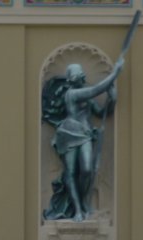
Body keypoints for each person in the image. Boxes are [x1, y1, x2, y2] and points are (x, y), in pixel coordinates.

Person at [42, 57, 123, 222]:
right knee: (71, 172)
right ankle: (78, 210)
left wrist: (112, 99)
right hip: (68, 134)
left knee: (86, 170)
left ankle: (84, 203)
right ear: (72, 78)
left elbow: (101, 113)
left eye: (81, 74)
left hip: (85, 134)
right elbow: (96, 89)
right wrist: (115, 73)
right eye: (77, 74)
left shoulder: (86, 98)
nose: (81, 76)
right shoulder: (71, 94)